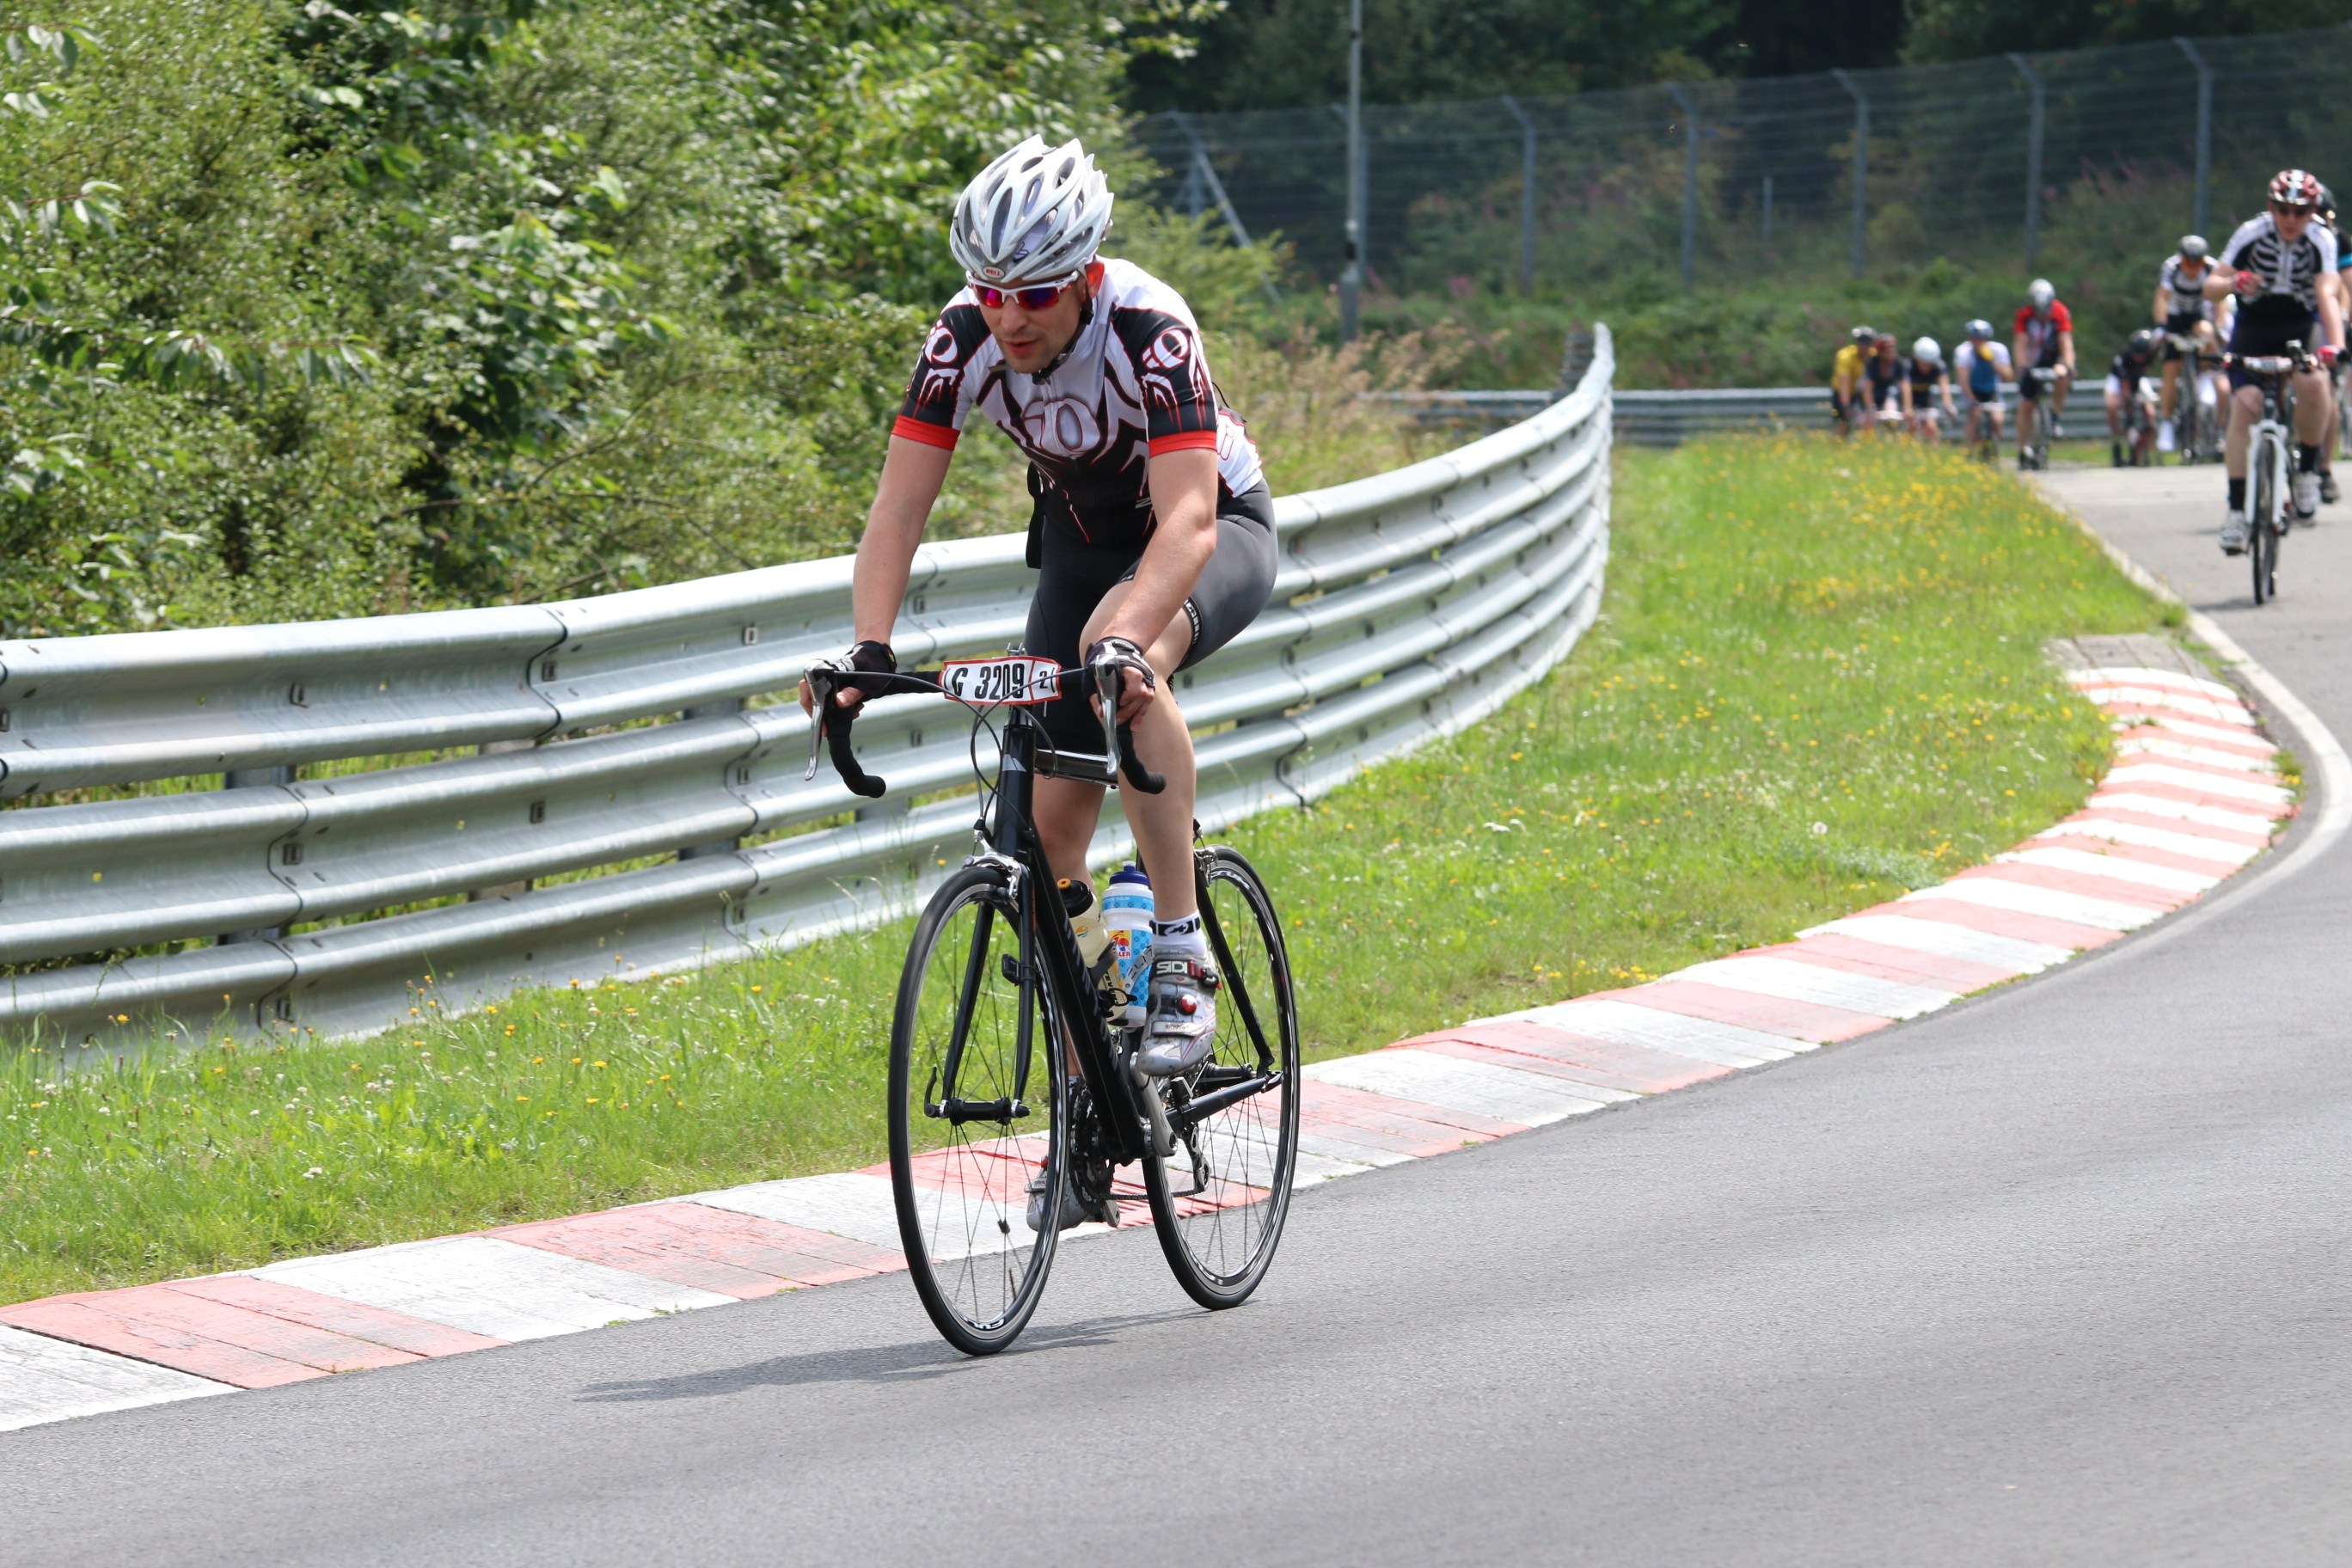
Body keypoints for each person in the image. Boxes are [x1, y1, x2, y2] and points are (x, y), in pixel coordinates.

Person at [802, 135, 1275, 1131]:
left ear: (1086, 275)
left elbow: (1189, 520)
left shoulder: (1149, 327)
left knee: (1119, 659)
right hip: (1078, 542)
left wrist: (1129, 640)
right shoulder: (960, 338)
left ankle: (1182, 950)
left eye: (1035, 294)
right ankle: (1091, 1110)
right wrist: (869, 649)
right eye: (990, 293)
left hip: (1209, 526)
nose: (1009, 317)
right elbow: (897, 510)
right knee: (1049, 844)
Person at [2208, 168, 2345, 554]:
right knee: (2246, 405)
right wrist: (2233, 283)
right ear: (2271, 207)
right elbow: (2210, 285)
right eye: (2283, 210)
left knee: (2314, 382)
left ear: (2312, 212)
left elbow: (2327, 293)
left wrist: (2335, 345)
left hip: (2300, 324)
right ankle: (2237, 511)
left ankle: (2307, 473)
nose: (2290, 219)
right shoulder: (2251, 233)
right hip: (2254, 324)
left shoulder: (2322, 239)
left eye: (2300, 212)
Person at [2153, 236, 2224, 456]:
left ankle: (2206, 378)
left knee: (2207, 333)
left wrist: (2220, 327)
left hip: (2198, 316)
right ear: (2181, 259)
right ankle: (2167, 422)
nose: (2192, 269)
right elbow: (2162, 298)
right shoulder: (2171, 267)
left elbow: (2220, 300)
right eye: (2188, 263)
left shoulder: (2211, 267)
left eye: (2197, 264)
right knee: (2171, 370)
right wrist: (2162, 326)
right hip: (2175, 318)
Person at [2014, 278, 2075, 467]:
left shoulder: (2060, 312)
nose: (2042, 315)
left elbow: (2066, 343)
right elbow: (2020, 343)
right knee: (2026, 406)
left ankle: (2055, 415)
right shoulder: (2024, 315)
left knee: (2063, 377)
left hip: (2053, 358)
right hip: (2032, 361)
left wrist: (2067, 365)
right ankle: (2022, 449)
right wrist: (2023, 367)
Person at [2104, 328, 2165, 466]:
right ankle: (2117, 442)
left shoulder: (2152, 353)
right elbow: (2125, 388)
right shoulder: (2125, 359)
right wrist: (2128, 411)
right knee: (2112, 407)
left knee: (2150, 411)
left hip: (2139, 379)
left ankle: (2148, 446)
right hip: (2118, 380)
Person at [1954, 318, 2012, 454]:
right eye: (1975, 339)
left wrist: (1992, 361)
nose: (1978, 342)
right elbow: (1963, 380)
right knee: (1975, 416)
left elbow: (2008, 376)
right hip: (1972, 390)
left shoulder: (1998, 350)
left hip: (1991, 390)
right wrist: (1972, 399)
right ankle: (1968, 450)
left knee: (1997, 420)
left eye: (1982, 338)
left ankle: (1993, 450)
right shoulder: (1963, 352)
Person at [1902, 336, 1955, 442]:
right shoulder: (1908, 365)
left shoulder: (1939, 366)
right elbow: (1906, 387)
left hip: (1925, 399)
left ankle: (1934, 450)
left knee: (1931, 427)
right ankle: (1907, 449)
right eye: (1923, 362)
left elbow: (1944, 387)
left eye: (1930, 364)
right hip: (1907, 398)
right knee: (1911, 425)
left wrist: (1948, 406)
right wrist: (1908, 408)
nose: (1926, 367)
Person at [1830, 325, 1874, 438]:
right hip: (1841, 392)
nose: (1865, 346)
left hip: (1858, 391)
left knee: (1866, 419)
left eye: (1868, 342)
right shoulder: (1845, 356)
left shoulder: (1872, 355)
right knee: (1843, 423)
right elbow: (1844, 382)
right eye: (1861, 342)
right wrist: (1846, 405)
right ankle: (1839, 442)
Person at [1862, 332, 1903, 431]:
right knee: (1868, 421)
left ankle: (1890, 435)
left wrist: (1908, 407)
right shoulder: (1872, 364)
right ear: (1880, 351)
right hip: (1870, 396)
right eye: (1887, 348)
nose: (1891, 351)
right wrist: (1870, 408)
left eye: (1893, 347)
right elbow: (1867, 388)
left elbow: (1905, 385)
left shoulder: (1899, 363)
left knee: (1891, 415)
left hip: (1886, 396)